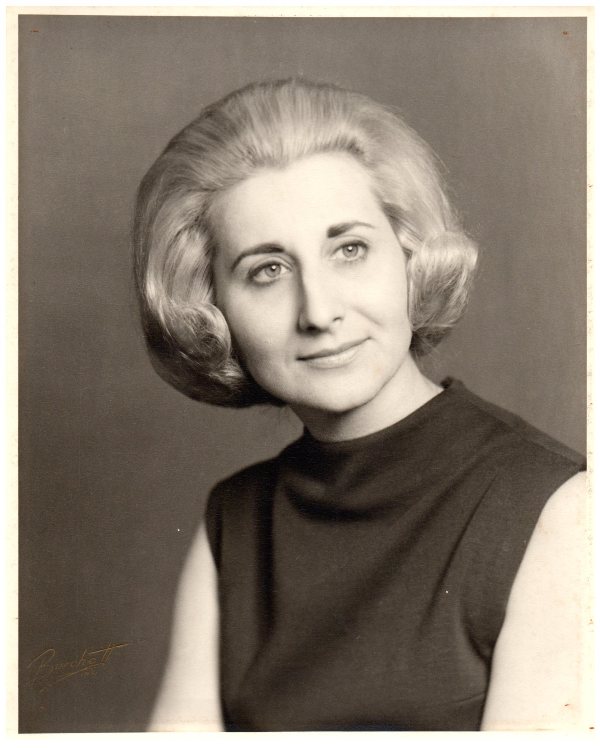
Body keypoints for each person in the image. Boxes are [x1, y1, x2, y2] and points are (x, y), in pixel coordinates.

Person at [133, 79, 589, 731]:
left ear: (409, 257)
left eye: (349, 250)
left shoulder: (556, 508)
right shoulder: (234, 521)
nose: (319, 312)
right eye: (267, 270)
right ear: (210, 309)